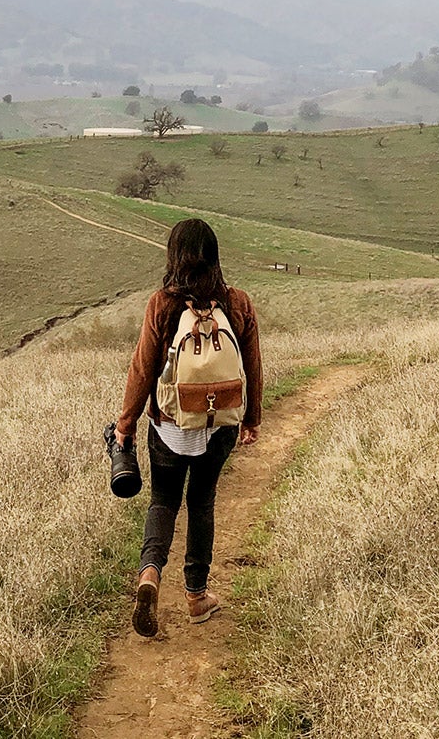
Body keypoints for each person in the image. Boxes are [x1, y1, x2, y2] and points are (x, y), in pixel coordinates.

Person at [114, 217, 263, 637]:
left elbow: (143, 368)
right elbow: (251, 363)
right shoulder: (237, 303)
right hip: (219, 424)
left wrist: (125, 423)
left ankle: (149, 576)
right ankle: (197, 597)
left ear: (173, 257)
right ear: (215, 256)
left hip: (168, 425)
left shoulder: (162, 304)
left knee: (163, 501)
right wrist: (251, 418)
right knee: (201, 503)